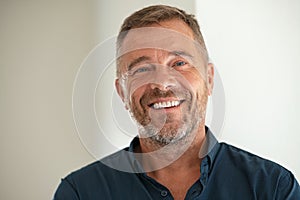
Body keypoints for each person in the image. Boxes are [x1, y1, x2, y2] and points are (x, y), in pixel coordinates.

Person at [54, 5, 300, 199]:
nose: (162, 83)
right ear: (121, 91)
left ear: (209, 79)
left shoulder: (272, 188)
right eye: (142, 69)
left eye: (179, 63)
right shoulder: (80, 193)